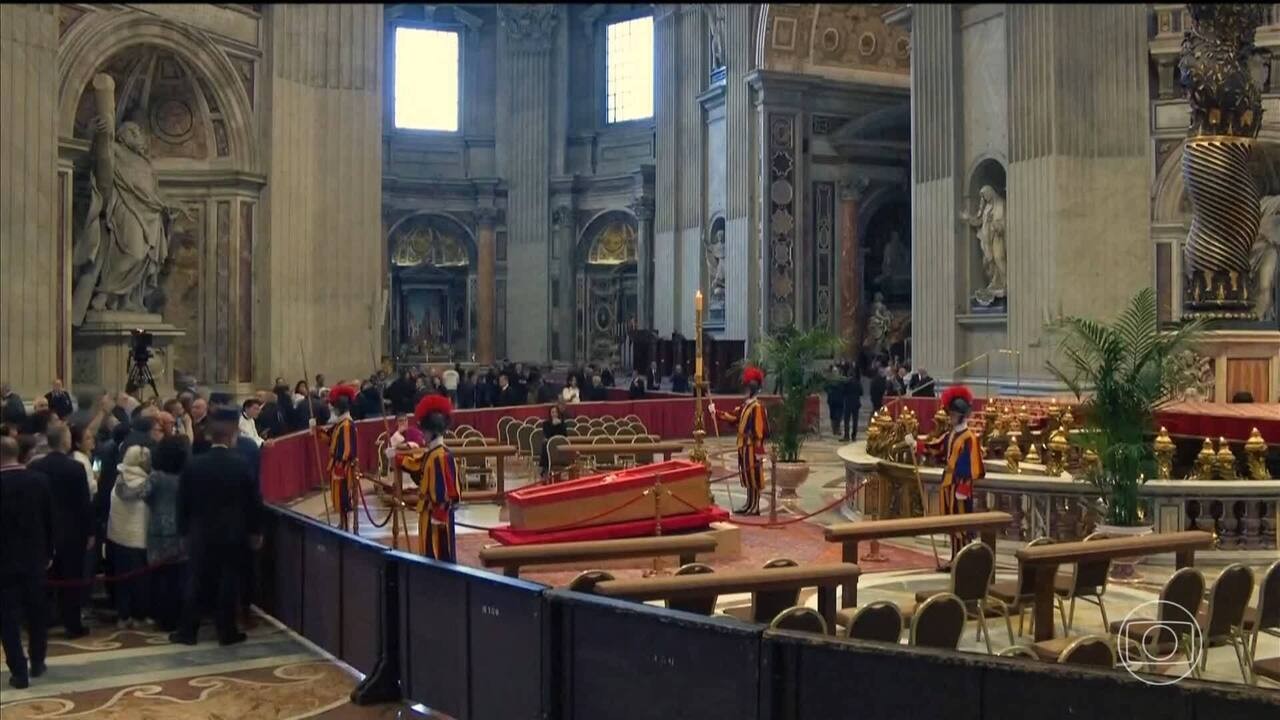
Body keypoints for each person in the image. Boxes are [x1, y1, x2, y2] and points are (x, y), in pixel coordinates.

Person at [170, 410, 262, 646]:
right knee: (228, 582)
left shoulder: (194, 464)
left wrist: (182, 532)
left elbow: (182, 501)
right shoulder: (240, 464)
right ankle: (227, 632)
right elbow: (253, 501)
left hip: (200, 532)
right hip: (233, 532)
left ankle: (188, 631)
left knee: (196, 580)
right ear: (231, 437)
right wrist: (255, 531)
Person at [28, 426, 93, 638]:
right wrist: (90, 532)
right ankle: (72, 624)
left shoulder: (36, 466)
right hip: (72, 531)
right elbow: (84, 503)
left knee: (45, 580)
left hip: (43, 530)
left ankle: (43, 620)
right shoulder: (75, 468)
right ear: (66, 441)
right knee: (71, 580)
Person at [0, 436, 53, 689]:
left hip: (4, 561)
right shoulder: (39, 480)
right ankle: (38, 660)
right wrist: (49, 551)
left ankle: (19, 671)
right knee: (36, 612)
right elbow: (49, 519)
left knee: (7, 619)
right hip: (34, 557)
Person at [400, 395, 460, 562]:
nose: (422, 435)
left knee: (437, 554)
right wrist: (397, 459)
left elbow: (447, 490)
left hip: (437, 517)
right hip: (429, 513)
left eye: (424, 431)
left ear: (432, 431)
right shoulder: (433, 452)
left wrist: (439, 515)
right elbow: (418, 467)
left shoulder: (440, 455)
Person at [710, 366, 768, 515]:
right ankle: (749, 503)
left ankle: (755, 506)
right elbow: (733, 417)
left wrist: (759, 450)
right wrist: (716, 412)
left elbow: (759, 430)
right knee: (747, 476)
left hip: (752, 446)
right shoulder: (745, 406)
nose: (746, 390)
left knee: (754, 476)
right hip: (743, 445)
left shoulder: (757, 406)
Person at [937, 385, 984, 569]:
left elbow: (972, 466)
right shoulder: (952, 434)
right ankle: (954, 558)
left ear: (961, 415)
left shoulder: (969, 437)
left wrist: (963, 488)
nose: (950, 417)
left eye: (953, 414)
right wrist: (917, 445)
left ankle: (963, 561)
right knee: (951, 524)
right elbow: (938, 447)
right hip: (949, 485)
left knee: (961, 526)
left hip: (960, 488)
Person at [145, 434, 187, 632]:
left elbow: (144, 495)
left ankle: (162, 617)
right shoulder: (185, 477)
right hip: (180, 530)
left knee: (160, 577)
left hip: (158, 531)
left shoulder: (156, 478)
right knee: (178, 577)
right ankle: (178, 616)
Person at [108, 444, 152, 629]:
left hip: (118, 537)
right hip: (138, 538)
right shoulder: (147, 484)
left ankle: (123, 615)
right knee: (140, 581)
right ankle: (139, 615)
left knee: (122, 580)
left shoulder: (119, 481)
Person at [316, 385, 359, 532]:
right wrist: (316, 429)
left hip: (343, 467)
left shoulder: (346, 425)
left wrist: (340, 462)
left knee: (343, 498)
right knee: (339, 498)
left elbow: (347, 449)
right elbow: (329, 438)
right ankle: (342, 522)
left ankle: (345, 525)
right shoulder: (340, 424)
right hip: (337, 465)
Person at [539, 404, 569, 481]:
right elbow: (548, 435)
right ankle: (545, 468)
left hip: (560, 446)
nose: (554, 414)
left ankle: (564, 464)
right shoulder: (546, 424)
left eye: (556, 412)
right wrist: (553, 425)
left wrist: (559, 425)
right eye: (552, 412)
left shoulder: (563, 424)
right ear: (550, 414)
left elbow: (564, 435)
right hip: (550, 445)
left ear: (558, 413)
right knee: (545, 444)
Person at [840, 364, 862, 442]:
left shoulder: (846, 383)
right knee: (855, 420)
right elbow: (861, 392)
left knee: (847, 420)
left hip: (848, 403)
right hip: (856, 403)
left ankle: (846, 436)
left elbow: (842, 392)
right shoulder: (858, 382)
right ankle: (854, 436)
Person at [826, 367, 845, 438]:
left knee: (835, 415)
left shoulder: (830, 380)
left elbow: (826, 388)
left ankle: (835, 429)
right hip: (837, 400)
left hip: (835, 400)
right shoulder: (840, 380)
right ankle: (836, 429)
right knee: (836, 415)